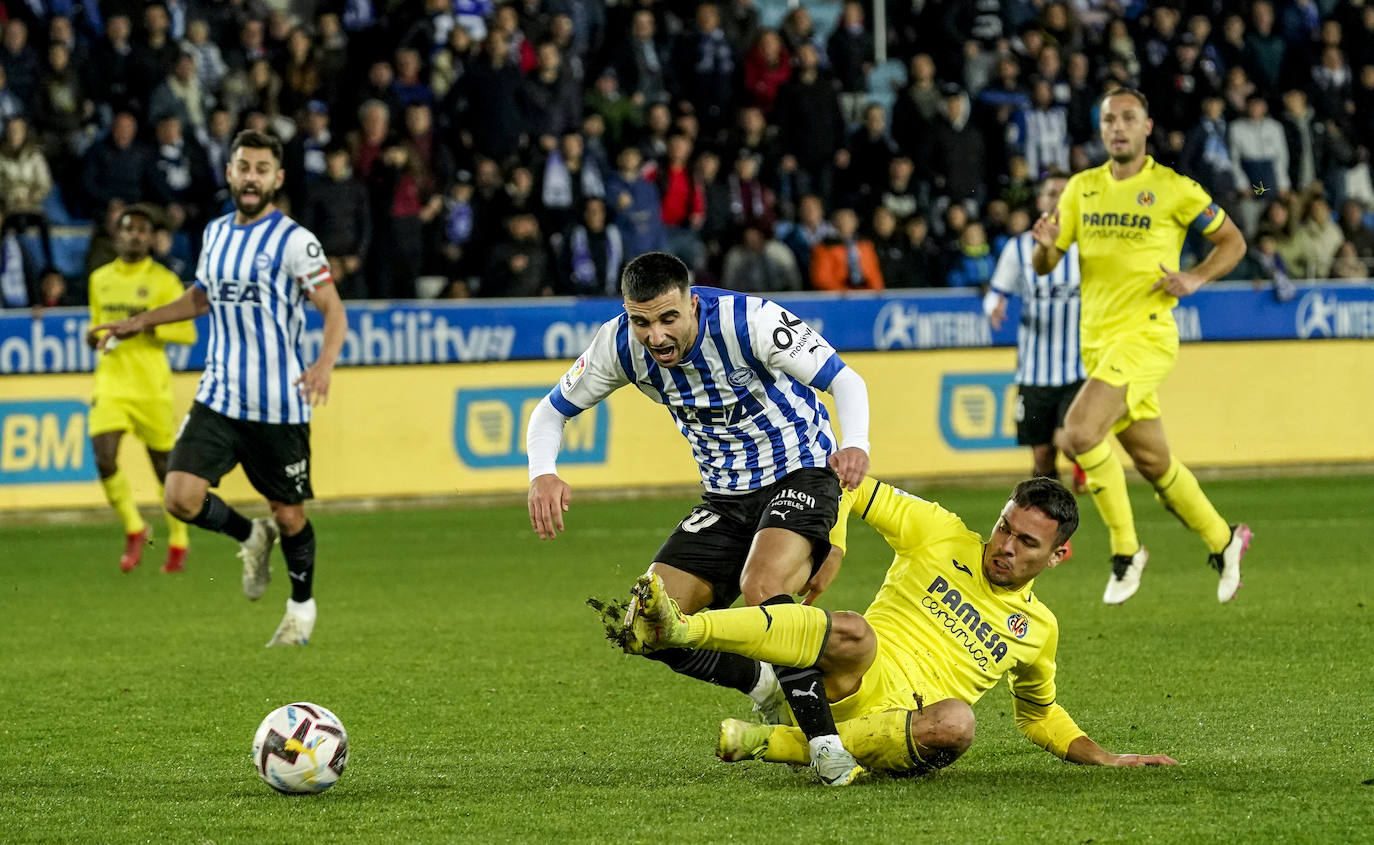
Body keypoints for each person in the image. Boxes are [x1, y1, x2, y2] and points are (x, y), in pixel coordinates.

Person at [527, 251, 871, 785]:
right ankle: (763, 685)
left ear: (692, 301)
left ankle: (825, 747)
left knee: (762, 587)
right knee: (645, 628)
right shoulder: (618, 345)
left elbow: (846, 382)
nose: (655, 336)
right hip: (725, 499)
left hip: (800, 471)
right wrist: (542, 473)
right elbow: (550, 411)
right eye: (641, 321)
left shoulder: (750, 322)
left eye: (668, 319)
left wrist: (855, 444)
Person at [604, 476, 1177, 777]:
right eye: (1004, 527)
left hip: (902, 730)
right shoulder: (940, 532)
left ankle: (776, 736)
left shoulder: (1039, 631)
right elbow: (849, 482)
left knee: (959, 722)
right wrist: (835, 544)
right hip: (843, 676)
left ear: (1058, 556)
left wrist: (1102, 756)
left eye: (1026, 542)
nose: (1003, 547)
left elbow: (1038, 713)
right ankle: (682, 630)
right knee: (856, 631)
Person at [92, 131, 347, 647]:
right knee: (180, 498)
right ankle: (250, 537)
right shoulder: (215, 234)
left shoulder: (295, 241)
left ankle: (301, 607)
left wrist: (323, 363)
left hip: (278, 405)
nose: (251, 177)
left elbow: (333, 308)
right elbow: (201, 298)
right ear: (230, 173)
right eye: (243, 167)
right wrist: (136, 322)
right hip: (220, 395)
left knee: (290, 515)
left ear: (276, 178)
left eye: (261, 169)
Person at [1030, 88, 1252, 605]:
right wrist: (1043, 247)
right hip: (1098, 346)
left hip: (1149, 335)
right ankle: (1225, 540)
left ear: (1148, 127)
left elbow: (1234, 242)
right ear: (1101, 129)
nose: (1118, 127)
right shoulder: (1081, 189)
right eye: (1109, 119)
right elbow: (1048, 265)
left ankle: (1126, 552)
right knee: (1155, 464)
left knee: (1080, 430)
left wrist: (1196, 278)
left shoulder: (1174, 189)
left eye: (1129, 118)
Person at [86, 204, 198, 574]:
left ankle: (179, 540)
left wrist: (148, 325)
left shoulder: (165, 282)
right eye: (128, 229)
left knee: (164, 471)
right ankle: (135, 528)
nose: (134, 235)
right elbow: (101, 327)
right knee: (104, 457)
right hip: (112, 382)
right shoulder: (99, 278)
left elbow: (187, 332)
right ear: (117, 235)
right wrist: (94, 337)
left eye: (141, 230)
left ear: (151, 238)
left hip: (151, 386)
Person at [985, 170, 1088, 497]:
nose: (1057, 198)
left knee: (1068, 439)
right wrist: (994, 308)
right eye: (1051, 192)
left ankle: (1082, 461)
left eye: (1064, 192)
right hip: (1034, 371)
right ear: (1040, 201)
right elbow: (995, 292)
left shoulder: (1087, 245)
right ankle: (1056, 531)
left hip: (1078, 366)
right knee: (1042, 458)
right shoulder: (1018, 249)